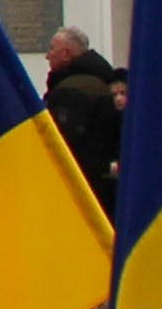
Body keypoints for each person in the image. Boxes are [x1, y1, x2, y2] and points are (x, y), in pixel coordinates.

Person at [40, 28, 126, 203]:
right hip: (106, 183)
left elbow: (65, 143)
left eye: (51, 49)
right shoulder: (101, 78)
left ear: (66, 54)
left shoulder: (71, 90)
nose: (47, 56)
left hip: (84, 187)